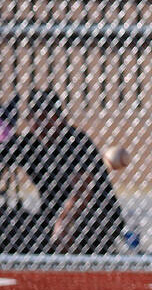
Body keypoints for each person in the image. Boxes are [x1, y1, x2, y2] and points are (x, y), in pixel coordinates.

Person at [0, 89, 125, 256]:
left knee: (81, 228)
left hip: (91, 214)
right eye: (35, 118)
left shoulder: (75, 141)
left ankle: (82, 259)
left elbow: (83, 189)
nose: (42, 125)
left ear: (61, 119)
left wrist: (64, 222)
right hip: (51, 217)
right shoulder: (28, 144)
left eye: (47, 118)